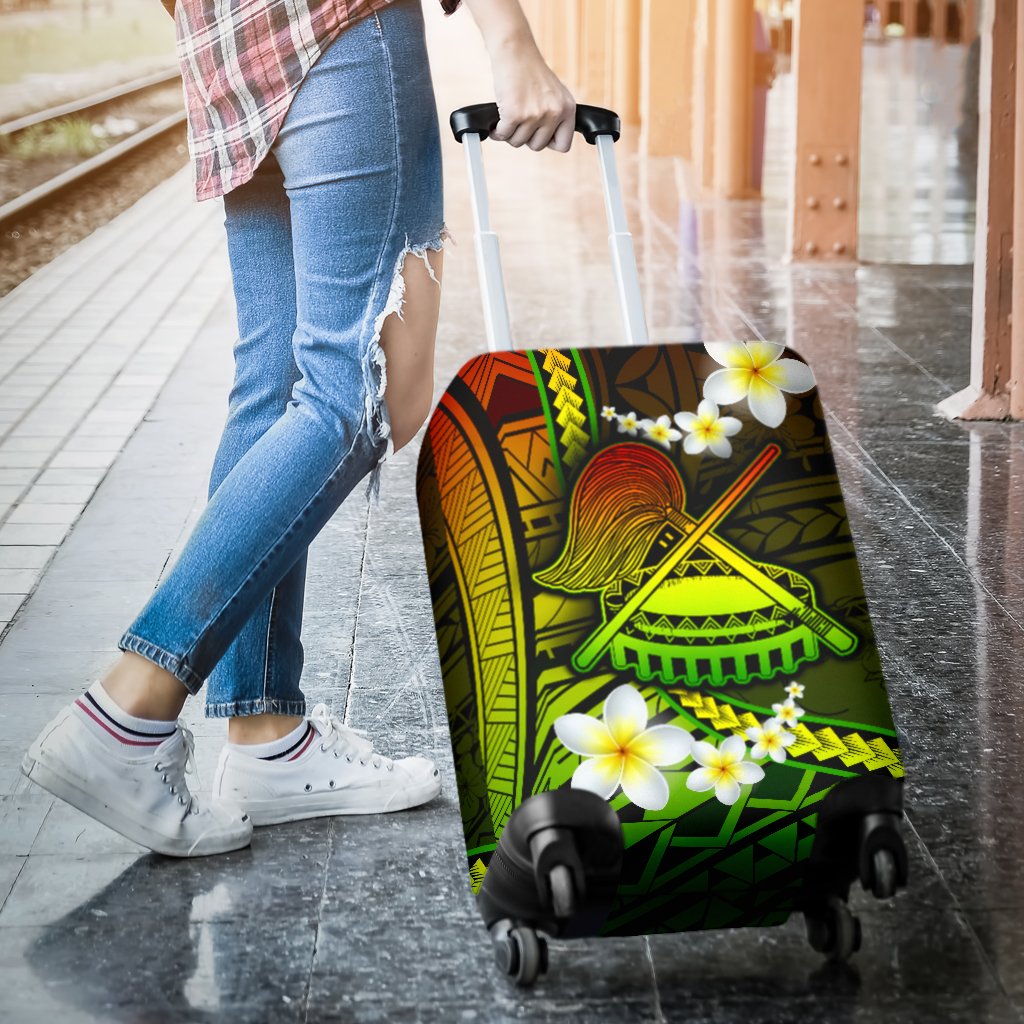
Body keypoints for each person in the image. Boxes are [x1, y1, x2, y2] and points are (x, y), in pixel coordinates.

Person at [21, 0, 576, 857]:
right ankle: (127, 711)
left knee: (276, 385)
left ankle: (265, 735)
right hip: (342, 28)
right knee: (358, 391)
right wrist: (512, 43)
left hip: (228, 51)